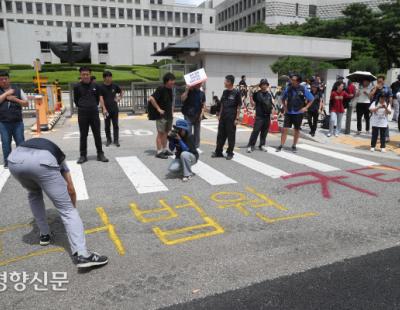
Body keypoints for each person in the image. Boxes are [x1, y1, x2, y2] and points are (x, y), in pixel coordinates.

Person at [7, 138, 108, 268]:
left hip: (14, 160)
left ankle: (44, 235)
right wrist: (72, 210)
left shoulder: (39, 145)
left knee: (34, 193)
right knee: (67, 210)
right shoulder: (58, 156)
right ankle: (82, 255)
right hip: (42, 162)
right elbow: (70, 189)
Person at [73, 67, 109, 164]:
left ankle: (100, 154)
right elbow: (76, 100)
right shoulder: (77, 86)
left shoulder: (96, 85)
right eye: (83, 74)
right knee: (83, 135)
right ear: (80, 75)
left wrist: (92, 105)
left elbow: (98, 99)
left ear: (90, 74)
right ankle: (83, 155)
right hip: (82, 113)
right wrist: (83, 106)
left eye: (87, 74)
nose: (85, 76)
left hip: (94, 113)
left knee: (97, 134)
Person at [276, 74, 314, 153]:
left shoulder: (303, 89)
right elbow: (283, 99)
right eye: (291, 79)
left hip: (298, 113)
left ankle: (294, 145)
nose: (291, 81)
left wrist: (305, 108)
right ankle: (281, 145)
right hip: (289, 112)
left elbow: (311, 99)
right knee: (285, 129)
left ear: (298, 81)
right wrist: (285, 107)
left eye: (293, 80)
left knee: (296, 130)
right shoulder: (288, 88)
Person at [0, 71, 29, 168]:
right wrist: (6, 94)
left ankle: (22, 160)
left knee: (20, 142)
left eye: (5, 79)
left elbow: (26, 103)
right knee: (5, 143)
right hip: (3, 122)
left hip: (17, 122)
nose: (4, 81)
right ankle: (7, 162)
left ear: (9, 79)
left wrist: (15, 99)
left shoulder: (17, 89)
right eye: (1, 79)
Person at [212, 75, 242, 160]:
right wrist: (220, 115)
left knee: (230, 136)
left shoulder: (236, 93)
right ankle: (218, 152)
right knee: (220, 135)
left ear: (229, 82)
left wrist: (237, 118)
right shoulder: (225, 92)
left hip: (231, 118)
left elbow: (239, 106)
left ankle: (230, 152)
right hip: (223, 117)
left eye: (225, 81)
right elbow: (222, 104)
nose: (224, 83)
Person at [148, 73, 176, 159]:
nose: (173, 82)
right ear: (167, 81)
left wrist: (172, 111)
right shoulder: (161, 89)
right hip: (161, 116)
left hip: (169, 115)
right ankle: (159, 151)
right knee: (160, 133)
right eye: (172, 80)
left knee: (166, 133)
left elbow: (170, 102)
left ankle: (165, 149)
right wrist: (158, 109)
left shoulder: (170, 89)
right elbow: (151, 98)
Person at [247, 79, 274, 153]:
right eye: (263, 84)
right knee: (255, 131)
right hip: (259, 116)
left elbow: (270, 105)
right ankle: (250, 145)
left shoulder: (269, 94)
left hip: (267, 116)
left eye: (265, 84)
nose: (264, 86)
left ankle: (262, 145)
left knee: (264, 132)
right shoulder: (257, 94)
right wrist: (256, 85)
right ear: (260, 85)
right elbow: (250, 91)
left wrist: (272, 114)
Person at [100, 71, 123, 147]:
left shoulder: (115, 86)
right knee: (107, 125)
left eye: (110, 77)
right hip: (106, 109)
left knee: (115, 125)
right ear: (104, 78)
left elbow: (121, 92)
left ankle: (116, 140)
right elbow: (101, 98)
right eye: (108, 77)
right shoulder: (101, 87)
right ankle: (108, 140)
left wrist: (119, 98)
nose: (109, 78)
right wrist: (104, 108)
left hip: (114, 109)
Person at [181, 83, 206, 149]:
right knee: (188, 132)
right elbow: (182, 99)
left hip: (197, 115)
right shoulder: (189, 91)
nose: (199, 85)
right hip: (188, 114)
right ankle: (188, 146)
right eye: (197, 83)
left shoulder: (202, 93)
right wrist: (187, 90)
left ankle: (196, 146)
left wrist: (201, 114)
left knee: (197, 133)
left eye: (200, 84)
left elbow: (203, 105)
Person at [370, 75, 393, 142]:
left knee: (384, 120)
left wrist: (390, 105)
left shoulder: (387, 88)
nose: (379, 82)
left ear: (383, 81)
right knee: (375, 120)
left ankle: (386, 136)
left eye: (381, 81)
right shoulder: (374, 87)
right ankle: (376, 136)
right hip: (376, 105)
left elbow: (390, 96)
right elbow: (370, 96)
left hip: (384, 105)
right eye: (378, 81)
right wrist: (375, 89)